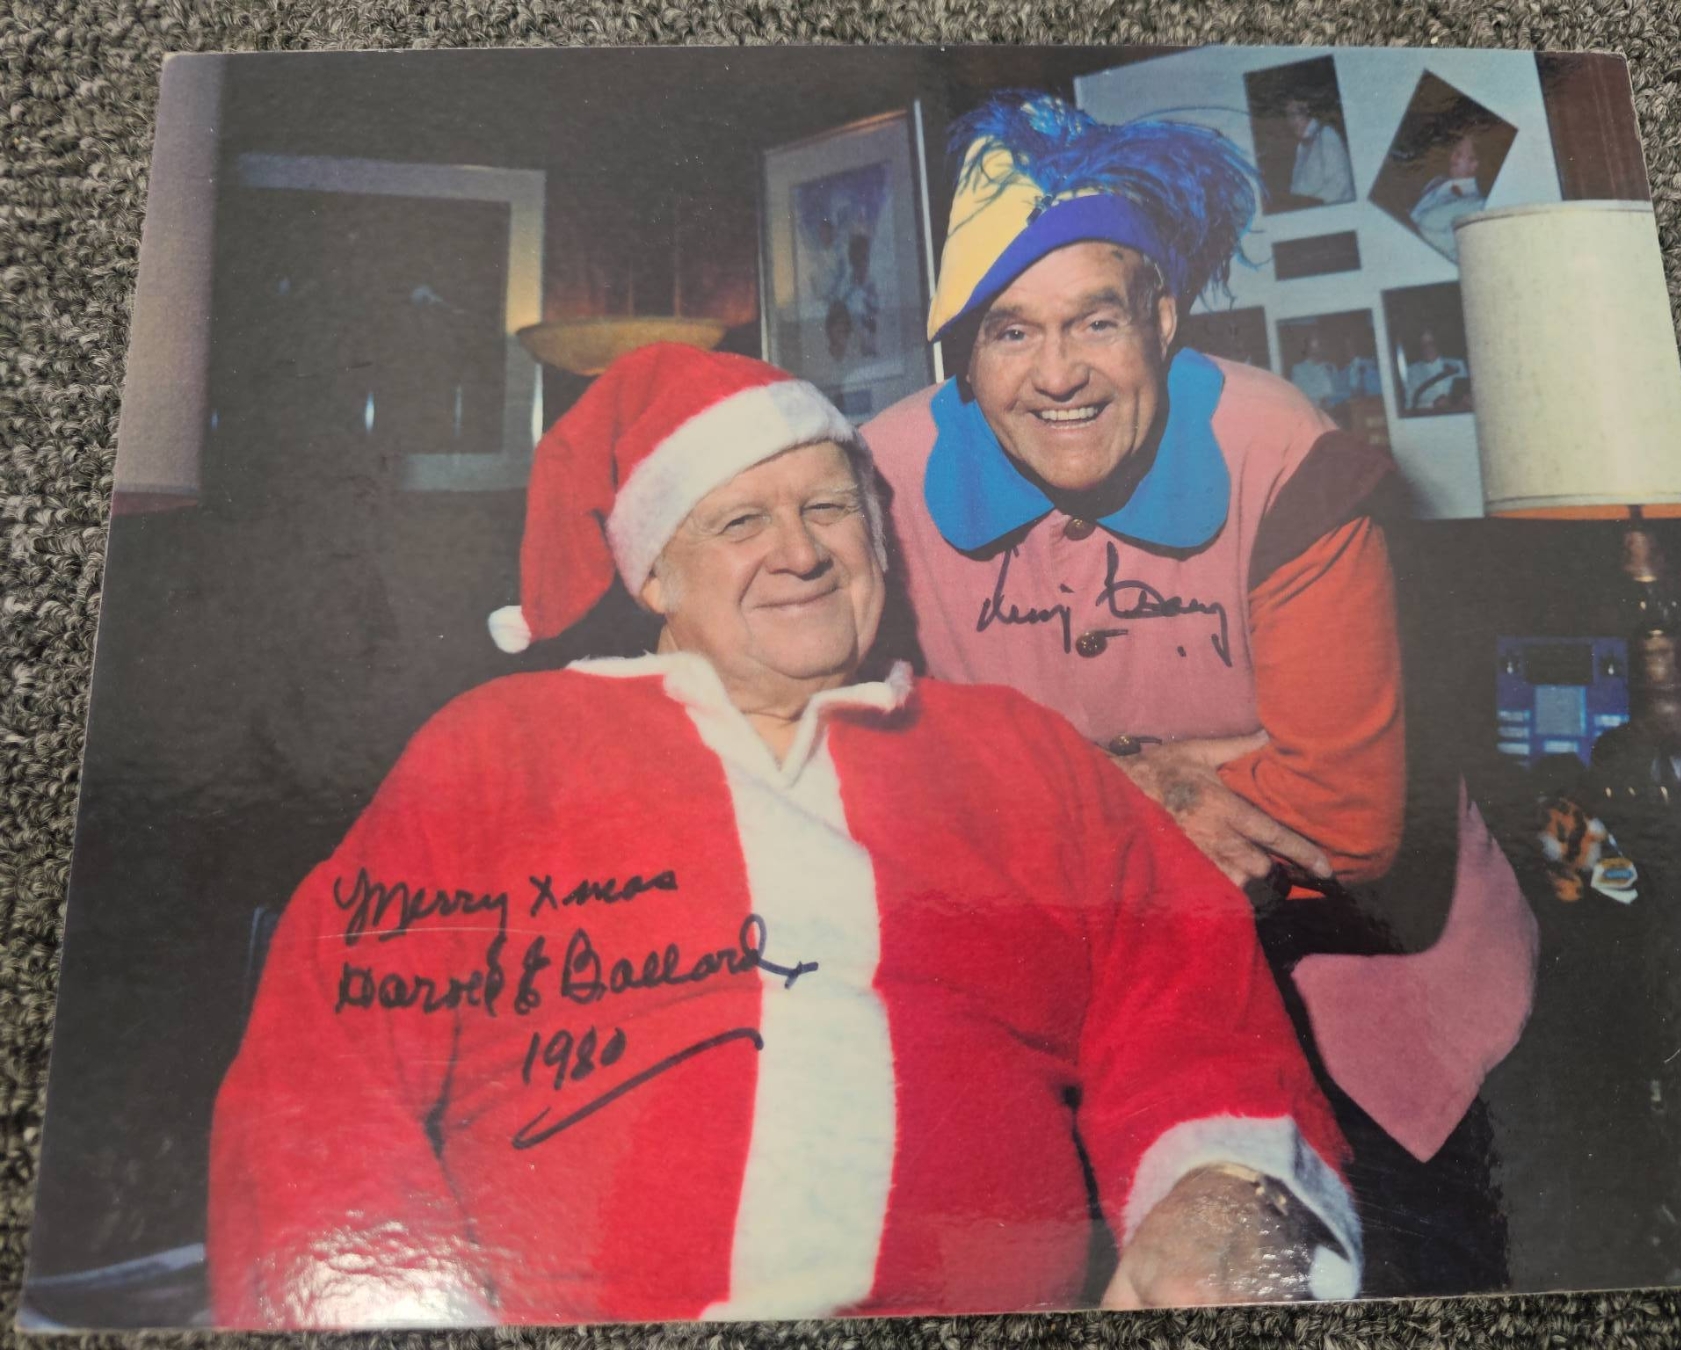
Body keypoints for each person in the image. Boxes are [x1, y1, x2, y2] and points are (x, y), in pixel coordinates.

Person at [208, 343, 1361, 1329]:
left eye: (828, 510)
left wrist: (1228, 1192)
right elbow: (322, 1084)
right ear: (655, 576)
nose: (801, 553)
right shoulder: (505, 748)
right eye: (741, 522)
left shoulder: (1016, 749)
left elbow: (1187, 1000)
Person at [860, 92, 1537, 1294]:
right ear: (961, 351)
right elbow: (871, 794)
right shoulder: (879, 476)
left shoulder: (1278, 450)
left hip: (1342, 961)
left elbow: (1342, 817)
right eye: (1010, 333)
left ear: (1162, 319)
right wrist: (1139, 774)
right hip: (1066, 978)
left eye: (1097, 321)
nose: (1058, 375)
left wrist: (1023, 798)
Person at [1409, 133, 1487, 260]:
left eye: (1459, 154)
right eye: (1454, 152)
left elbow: (1438, 245)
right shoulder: (1436, 181)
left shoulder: (1476, 205)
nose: (1452, 157)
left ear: (1474, 164)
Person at [1284, 96, 1354, 206]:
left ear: (1307, 112)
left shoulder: (1327, 135)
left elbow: (1340, 185)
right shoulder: (1301, 147)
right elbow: (1297, 188)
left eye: (1294, 115)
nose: (1291, 122)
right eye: (1288, 116)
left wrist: (1310, 206)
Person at [1403, 327, 1470, 412]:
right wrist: (1432, 404)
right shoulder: (1412, 371)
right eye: (1423, 345)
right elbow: (1409, 406)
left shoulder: (1456, 365)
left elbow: (1466, 394)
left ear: (1437, 344)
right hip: (1429, 417)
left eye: (1431, 343)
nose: (1427, 348)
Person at [1288, 330, 1342, 409]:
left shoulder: (1330, 366)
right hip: (1312, 409)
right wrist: (1321, 400)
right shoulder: (1298, 369)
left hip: (1336, 408)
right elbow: (1301, 393)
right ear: (1306, 350)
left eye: (1318, 347)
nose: (1316, 351)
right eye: (1312, 348)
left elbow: (1338, 389)